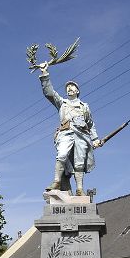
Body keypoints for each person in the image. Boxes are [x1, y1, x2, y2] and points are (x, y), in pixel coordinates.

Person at [39, 62, 100, 196]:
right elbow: (49, 92)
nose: (69, 88)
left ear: (77, 91)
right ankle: (56, 181)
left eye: (72, 87)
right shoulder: (62, 103)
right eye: (67, 87)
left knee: (79, 163)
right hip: (65, 132)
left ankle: (79, 189)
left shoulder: (84, 107)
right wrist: (44, 74)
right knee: (61, 154)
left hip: (82, 135)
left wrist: (95, 139)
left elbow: (90, 123)